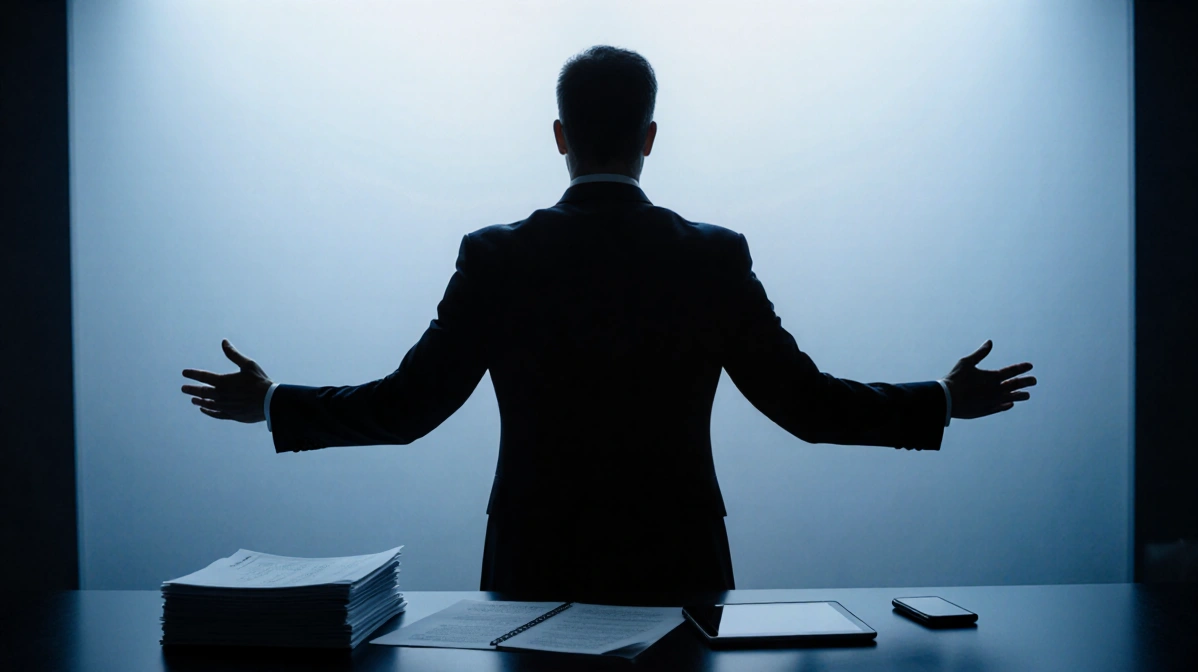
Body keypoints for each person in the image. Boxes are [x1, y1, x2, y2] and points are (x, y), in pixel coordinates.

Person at [181, 45, 1036, 599]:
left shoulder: (496, 257)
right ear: (650, 136)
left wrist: (273, 403)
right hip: (680, 567)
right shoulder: (712, 257)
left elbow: (408, 408)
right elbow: (805, 406)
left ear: (559, 135)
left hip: (533, 566)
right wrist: (943, 401)